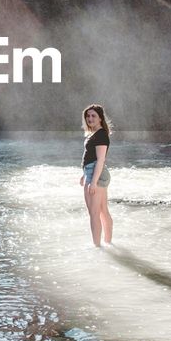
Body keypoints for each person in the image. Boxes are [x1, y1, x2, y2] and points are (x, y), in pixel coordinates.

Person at [80, 104, 113, 247]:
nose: (90, 118)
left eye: (93, 115)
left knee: (94, 214)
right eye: (88, 116)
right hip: (92, 172)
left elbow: (100, 159)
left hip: (96, 174)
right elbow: (90, 156)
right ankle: (108, 244)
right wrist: (84, 174)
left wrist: (93, 182)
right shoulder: (94, 134)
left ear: (100, 118)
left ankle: (97, 248)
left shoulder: (100, 134)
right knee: (102, 211)